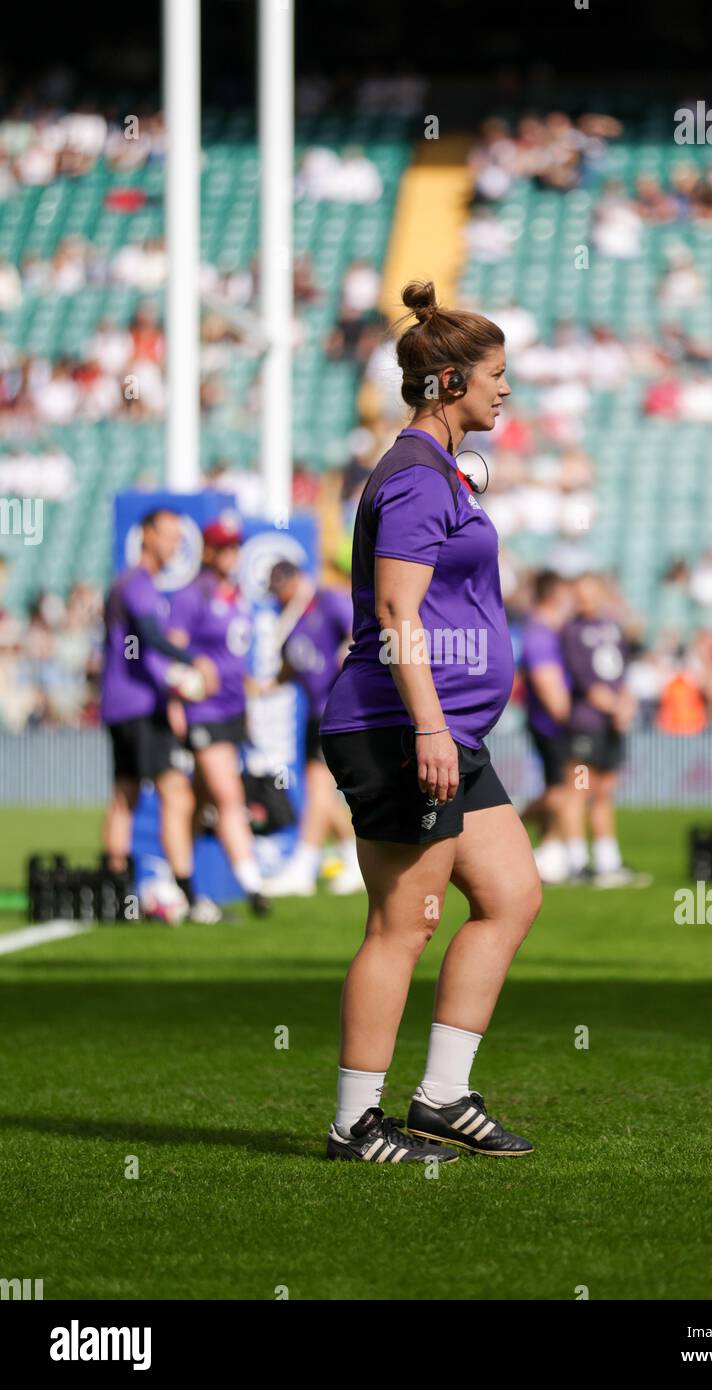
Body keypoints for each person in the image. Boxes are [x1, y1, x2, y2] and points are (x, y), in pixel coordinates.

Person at [319, 279, 542, 1164]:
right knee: (404, 923)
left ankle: (442, 1097)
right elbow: (397, 615)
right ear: (449, 382)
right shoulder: (415, 478)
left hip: (447, 731)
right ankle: (353, 1124)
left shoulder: (439, 469)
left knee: (512, 896)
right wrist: (430, 730)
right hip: (400, 727)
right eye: (496, 375)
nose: (507, 388)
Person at [100, 508, 219, 922]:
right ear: (147, 535)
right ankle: (189, 895)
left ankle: (114, 892)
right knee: (176, 793)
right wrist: (195, 662)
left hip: (121, 704)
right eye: (168, 535)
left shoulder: (129, 584)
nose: (175, 545)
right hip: (138, 705)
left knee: (125, 794)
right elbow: (151, 637)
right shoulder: (139, 584)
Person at [168, 513, 269, 920]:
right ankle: (253, 886)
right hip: (203, 711)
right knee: (228, 795)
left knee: (200, 800)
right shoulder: (192, 595)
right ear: (208, 550)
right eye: (224, 546)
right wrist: (177, 703)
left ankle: (183, 885)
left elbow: (235, 659)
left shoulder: (236, 594)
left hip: (231, 708)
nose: (231, 553)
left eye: (235, 546)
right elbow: (173, 653)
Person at [258, 561, 362, 897]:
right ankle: (355, 858)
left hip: (339, 707)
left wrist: (346, 653)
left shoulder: (326, 600)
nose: (277, 596)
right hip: (314, 714)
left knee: (319, 788)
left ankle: (304, 865)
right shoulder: (288, 620)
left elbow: (356, 633)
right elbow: (290, 666)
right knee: (322, 795)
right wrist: (264, 686)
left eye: (281, 588)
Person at [559, 572, 651, 888]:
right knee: (578, 791)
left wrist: (625, 704)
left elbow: (623, 674)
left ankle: (607, 861)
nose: (584, 598)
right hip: (587, 722)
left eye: (589, 592)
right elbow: (586, 680)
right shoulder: (571, 631)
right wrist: (616, 708)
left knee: (604, 792)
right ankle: (576, 862)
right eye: (579, 592)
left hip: (611, 724)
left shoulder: (612, 629)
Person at [520, 570, 575, 885]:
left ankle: (551, 851)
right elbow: (547, 684)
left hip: (556, 723)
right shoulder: (538, 632)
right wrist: (568, 716)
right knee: (559, 792)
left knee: (565, 789)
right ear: (554, 595)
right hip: (550, 724)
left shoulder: (552, 630)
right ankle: (508, 824)